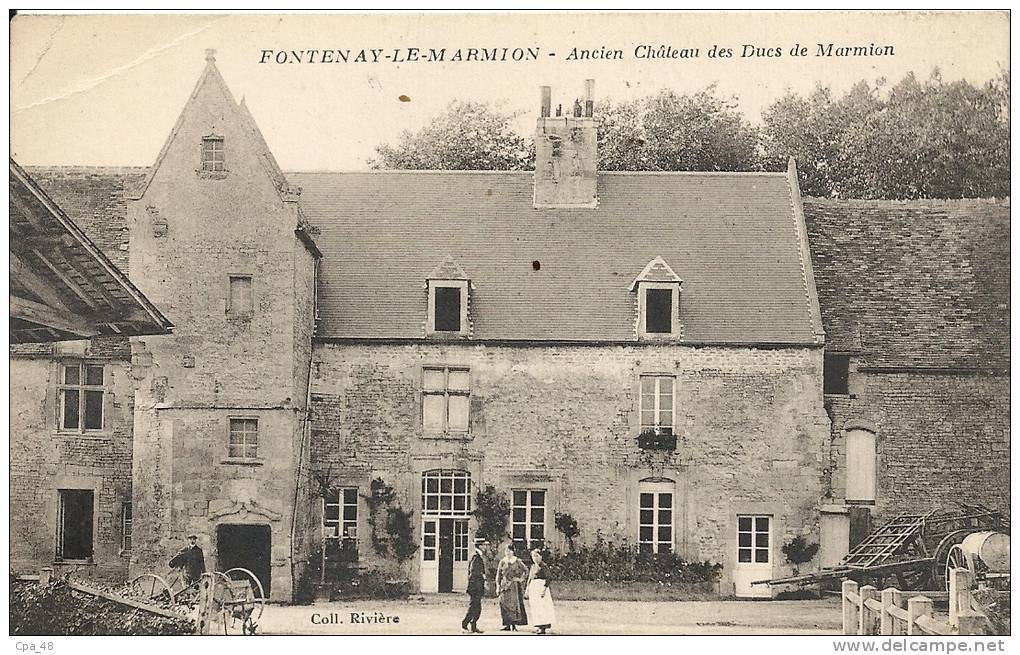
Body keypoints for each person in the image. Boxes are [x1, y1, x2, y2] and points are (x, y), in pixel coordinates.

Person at [495, 543, 528, 631]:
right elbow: (498, 575)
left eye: (509, 551)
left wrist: (520, 579)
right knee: (503, 604)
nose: (508, 553)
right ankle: (506, 624)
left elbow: (526, 570)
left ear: (513, 551)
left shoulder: (517, 561)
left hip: (514, 586)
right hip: (504, 586)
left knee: (513, 605)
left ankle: (514, 625)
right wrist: (498, 586)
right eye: (506, 551)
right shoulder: (502, 561)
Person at [525, 548, 556, 635]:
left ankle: (543, 628)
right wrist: (527, 589)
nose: (535, 558)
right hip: (533, 588)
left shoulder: (544, 566)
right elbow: (530, 578)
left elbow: (549, 578)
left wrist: (544, 589)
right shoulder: (533, 566)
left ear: (541, 556)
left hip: (541, 587)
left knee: (542, 607)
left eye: (537, 556)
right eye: (533, 556)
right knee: (536, 607)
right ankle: (538, 626)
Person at [461, 537, 487, 634]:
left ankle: (473, 626)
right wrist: (482, 576)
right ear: (480, 546)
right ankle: (464, 624)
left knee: (477, 607)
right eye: (484, 545)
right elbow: (473, 572)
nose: (485, 547)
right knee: (474, 606)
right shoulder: (476, 557)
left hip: (477, 586)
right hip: (475, 586)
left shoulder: (478, 556)